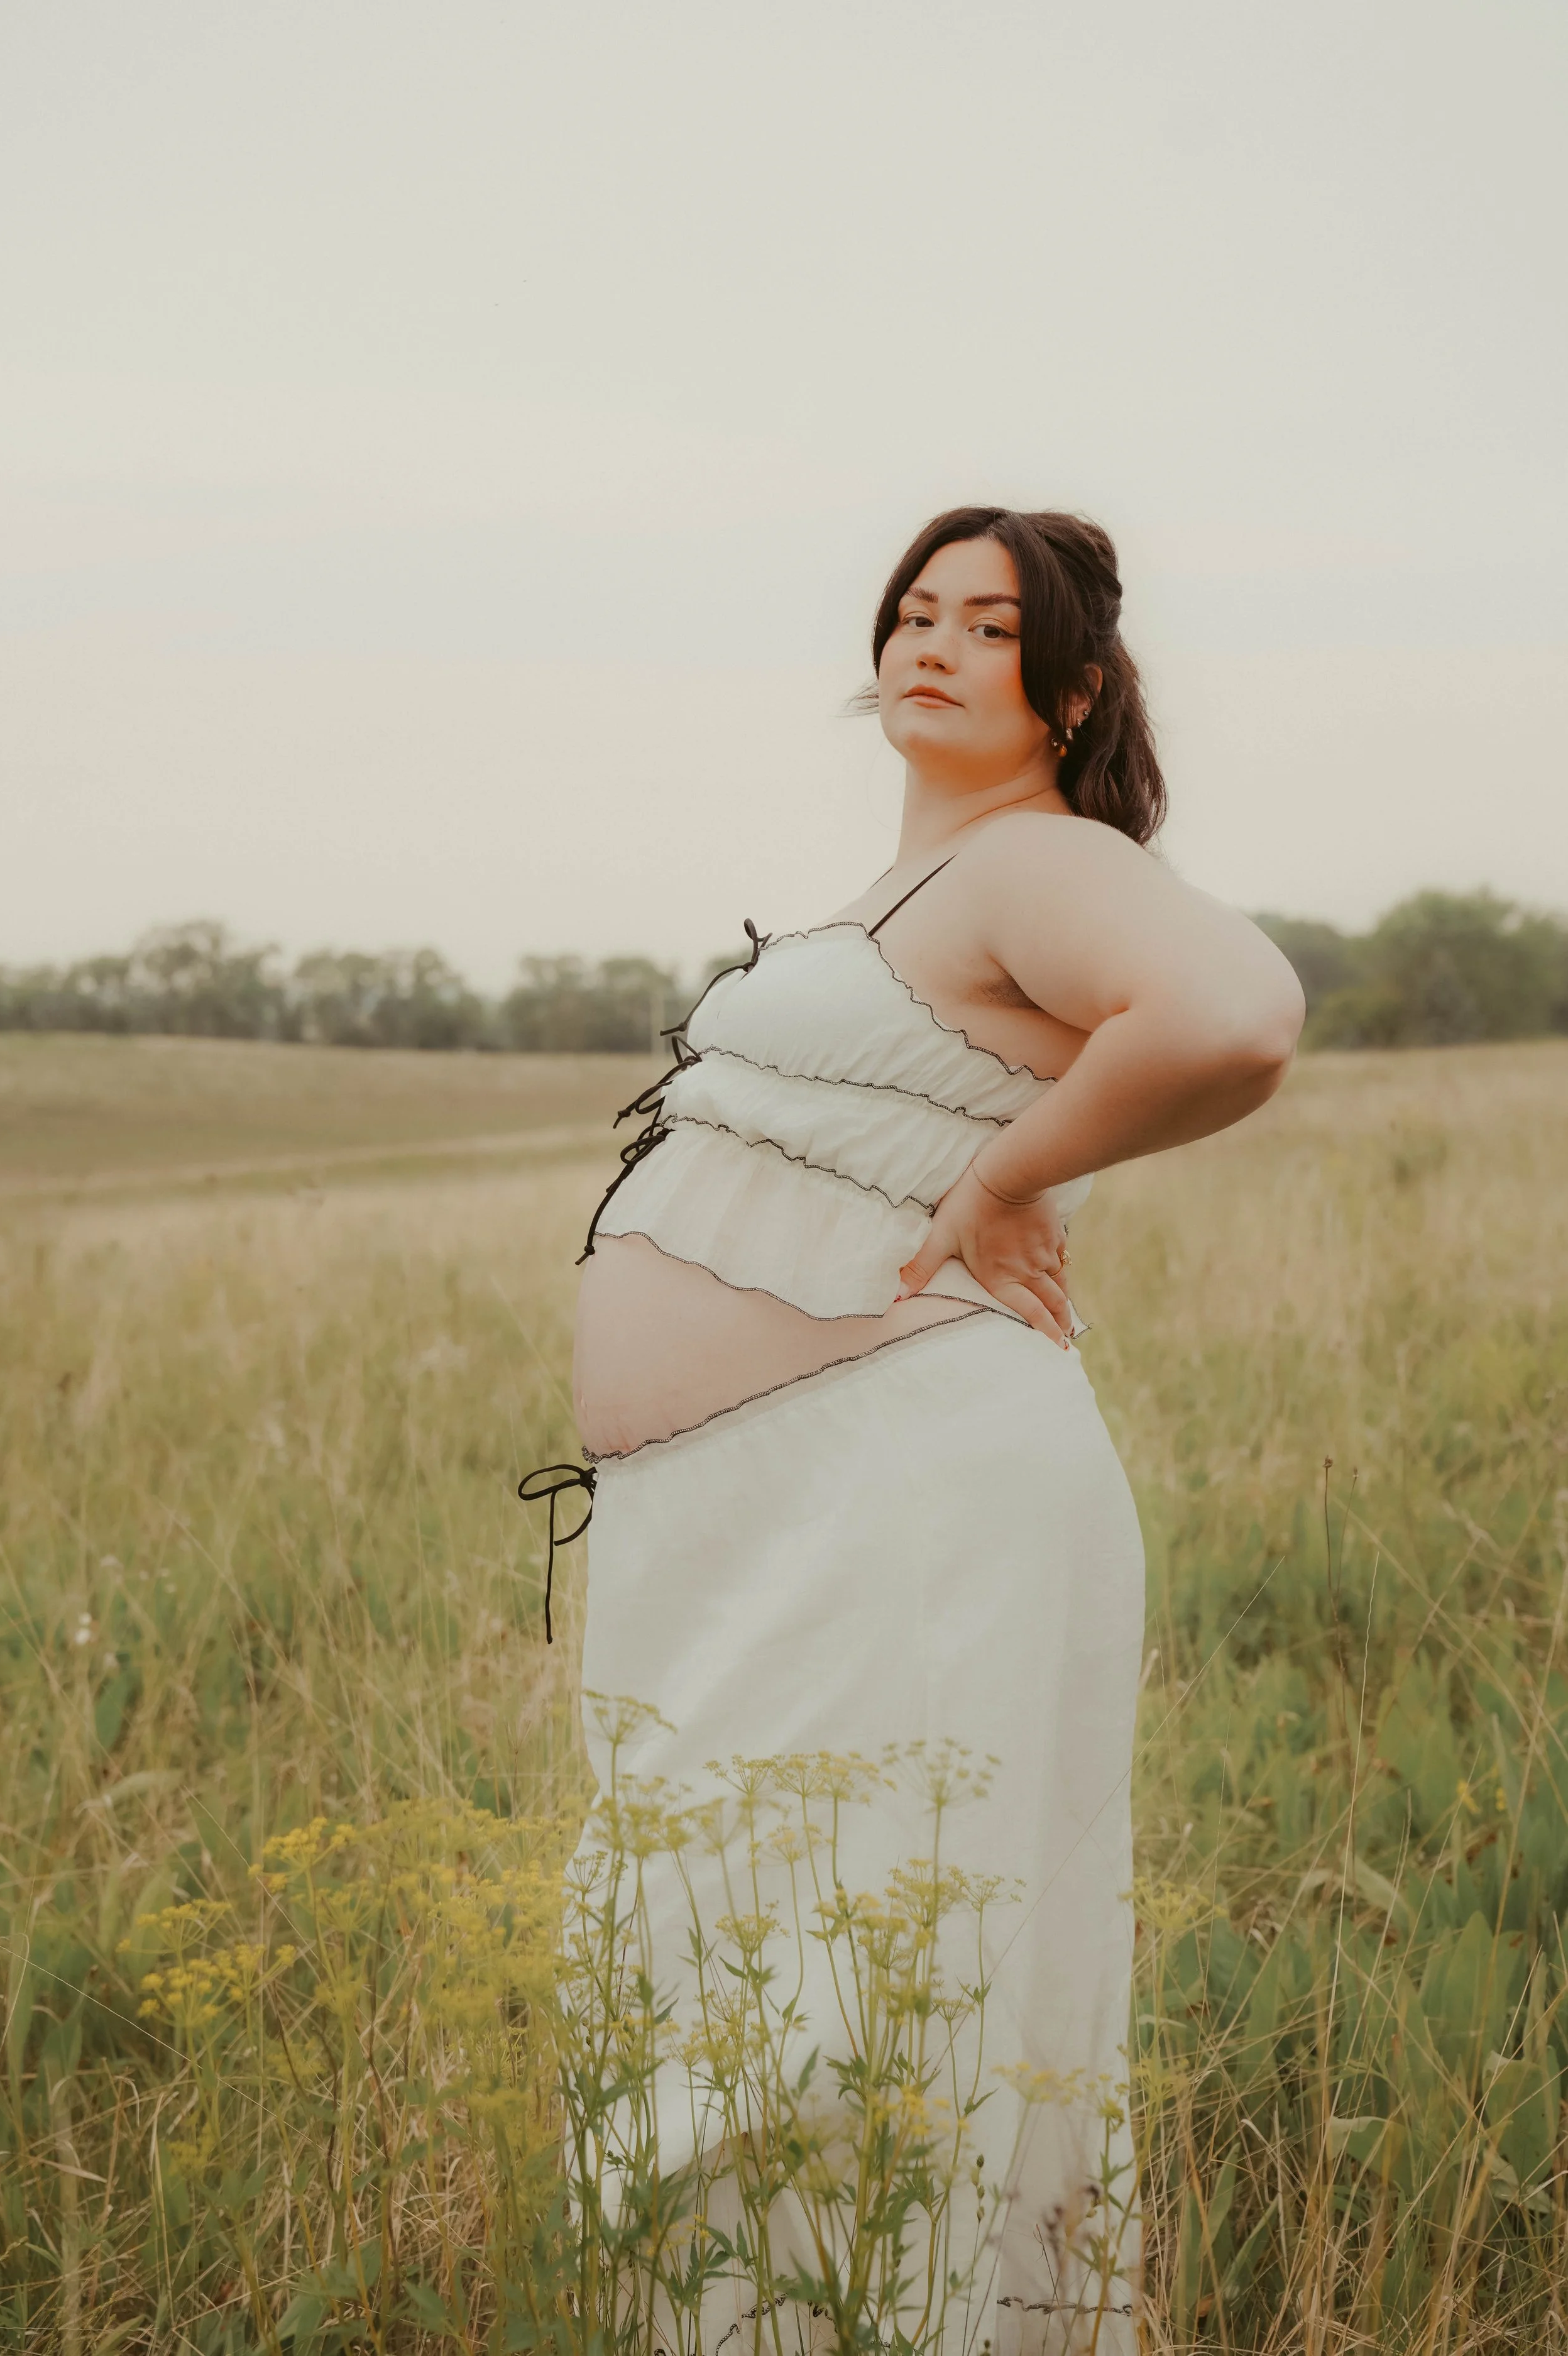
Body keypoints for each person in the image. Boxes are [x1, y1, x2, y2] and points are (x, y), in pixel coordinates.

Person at [534, 506, 1305, 2353]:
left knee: (846, 1982)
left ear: (1074, 684)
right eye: (911, 609)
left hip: (903, 1490)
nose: (931, 639)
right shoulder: (917, 884)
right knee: (751, 1964)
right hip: (779, 1502)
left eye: (987, 620)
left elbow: (1237, 1010)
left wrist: (1015, 1177)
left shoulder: (1030, 862)